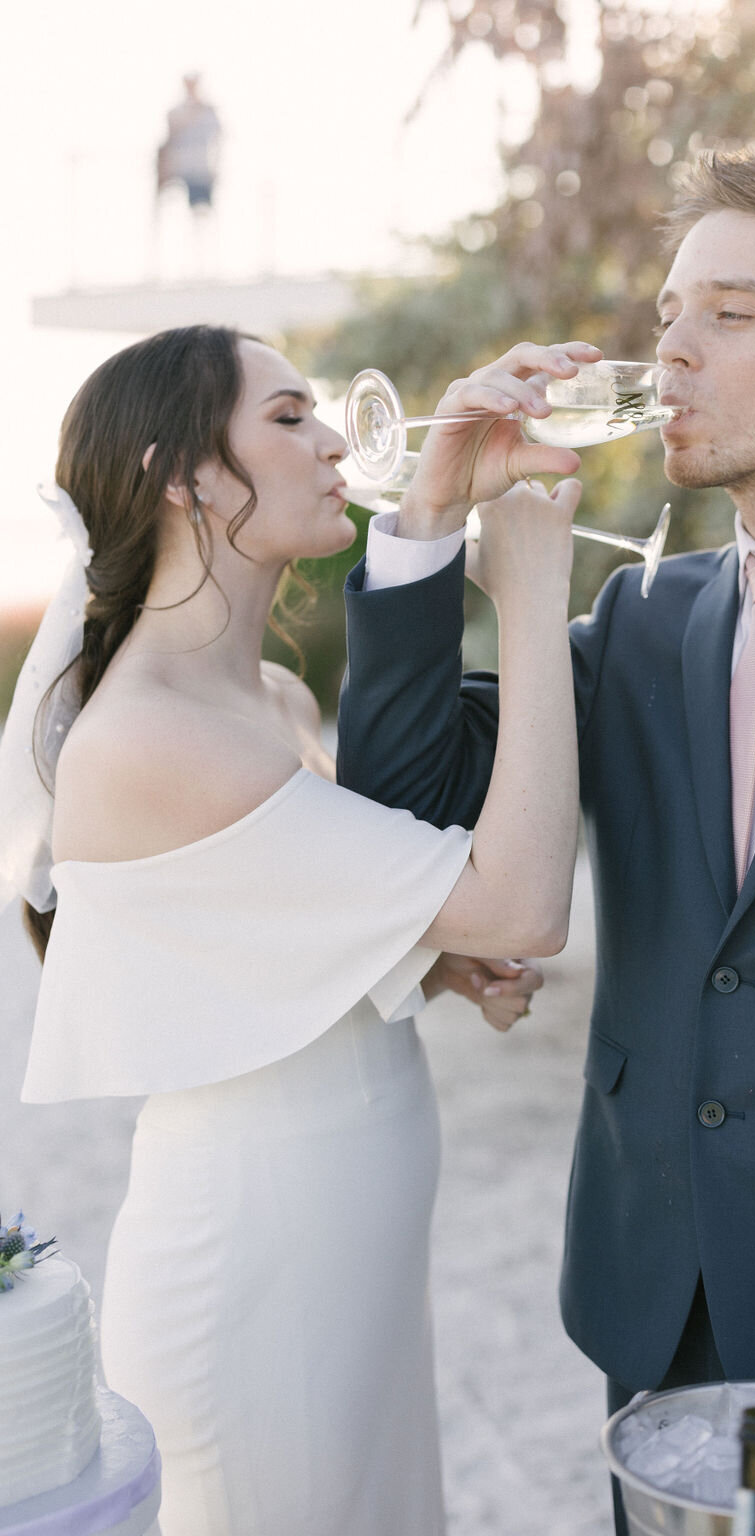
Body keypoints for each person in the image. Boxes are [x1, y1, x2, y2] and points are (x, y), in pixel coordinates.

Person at [336, 150, 755, 1534]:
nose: (672, 350)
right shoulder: (643, 624)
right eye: (665, 315)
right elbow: (404, 800)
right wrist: (426, 527)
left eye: (729, 312)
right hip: (663, 1306)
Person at [0, 323, 589, 1536]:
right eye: (288, 418)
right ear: (184, 477)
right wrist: (530, 599)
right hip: (258, 1255)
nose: (332, 442)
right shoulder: (148, 736)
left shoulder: (269, 696)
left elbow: (263, 938)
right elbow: (528, 899)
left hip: (350, 1231)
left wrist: (426, 963)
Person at [157, 74, 221, 210]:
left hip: (201, 172)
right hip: (178, 171)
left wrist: (216, 169)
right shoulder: (175, 112)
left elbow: (218, 141)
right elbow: (168, 142)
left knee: (201, 213)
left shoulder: (208, 112)